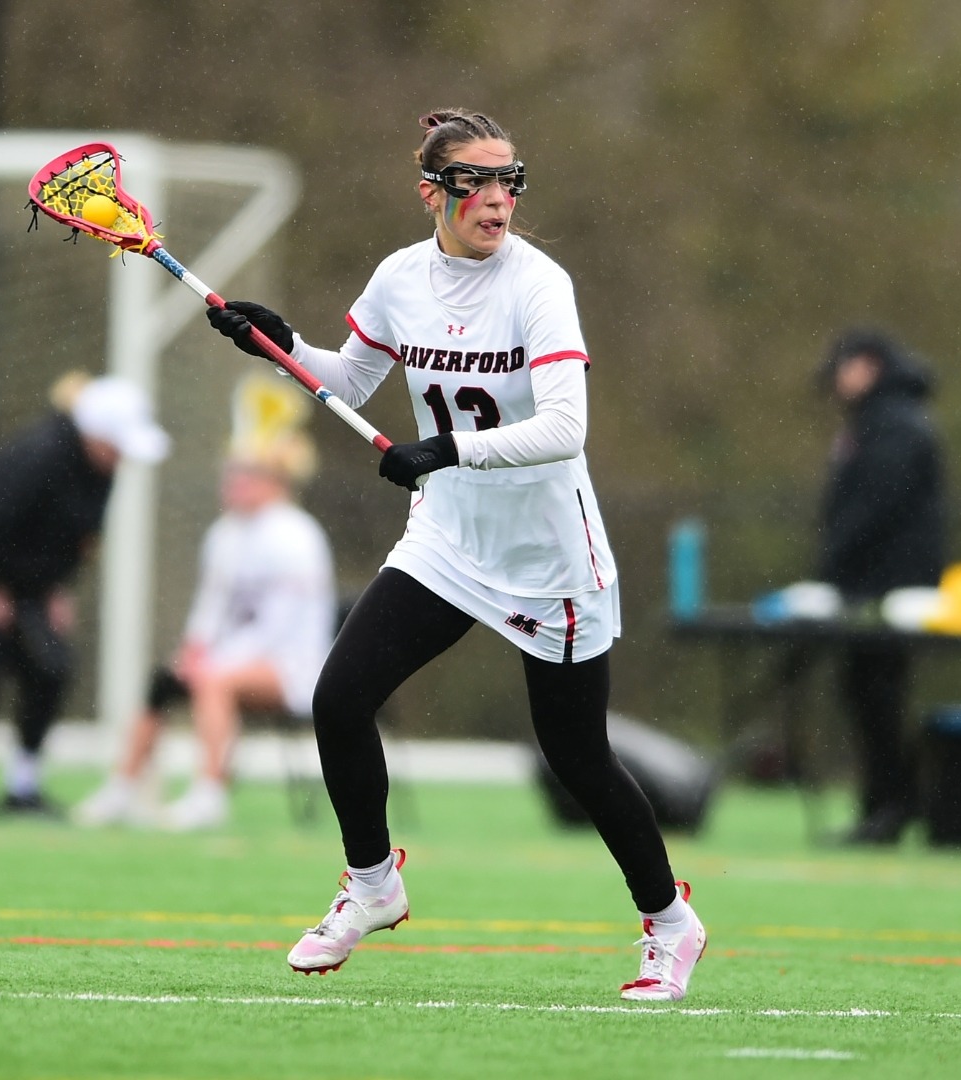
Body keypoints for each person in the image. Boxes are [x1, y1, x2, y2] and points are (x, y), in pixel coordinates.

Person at [203, 109, 706, 1001]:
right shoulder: (402, 277)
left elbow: (564, 426)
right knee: (340, 698)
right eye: (477, 181)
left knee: (577, 756)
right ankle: (371, 883)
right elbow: (350, 380)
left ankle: (670, 923)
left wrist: (445, 452)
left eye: (511, 179)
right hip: (447, 540)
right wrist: (279, 344)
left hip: (548, 554)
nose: (499, 198)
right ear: (433, 191)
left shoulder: (539, 285)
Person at [0, 374, 169, 815]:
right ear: (96, 435)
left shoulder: (101, 471)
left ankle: (23, 786)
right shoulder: (39, 456)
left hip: (22, 580)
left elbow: (75, 537)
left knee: (51, 666)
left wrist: (56, 590)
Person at [73, 429, 335, 830]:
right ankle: (122, 788)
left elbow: (279, 628)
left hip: (292, 665)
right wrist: (193, 650)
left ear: (275, 480)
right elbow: (211, 607)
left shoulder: (297, 537)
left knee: (214, 681)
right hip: (232, 658)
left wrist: (216, 661)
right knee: (164, 680)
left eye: (246, 473)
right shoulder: (225, 534)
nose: (233, 482)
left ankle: (208, 794)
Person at [815, 328, 946, 844]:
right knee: (869, 690)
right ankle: (887, 804)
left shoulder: (893, 425)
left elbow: (873, 506)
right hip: (873, 584)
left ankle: (891, 806)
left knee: (878, 692)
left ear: (866, 365)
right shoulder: (884, 420)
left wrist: (834, 562)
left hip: (887, 588)